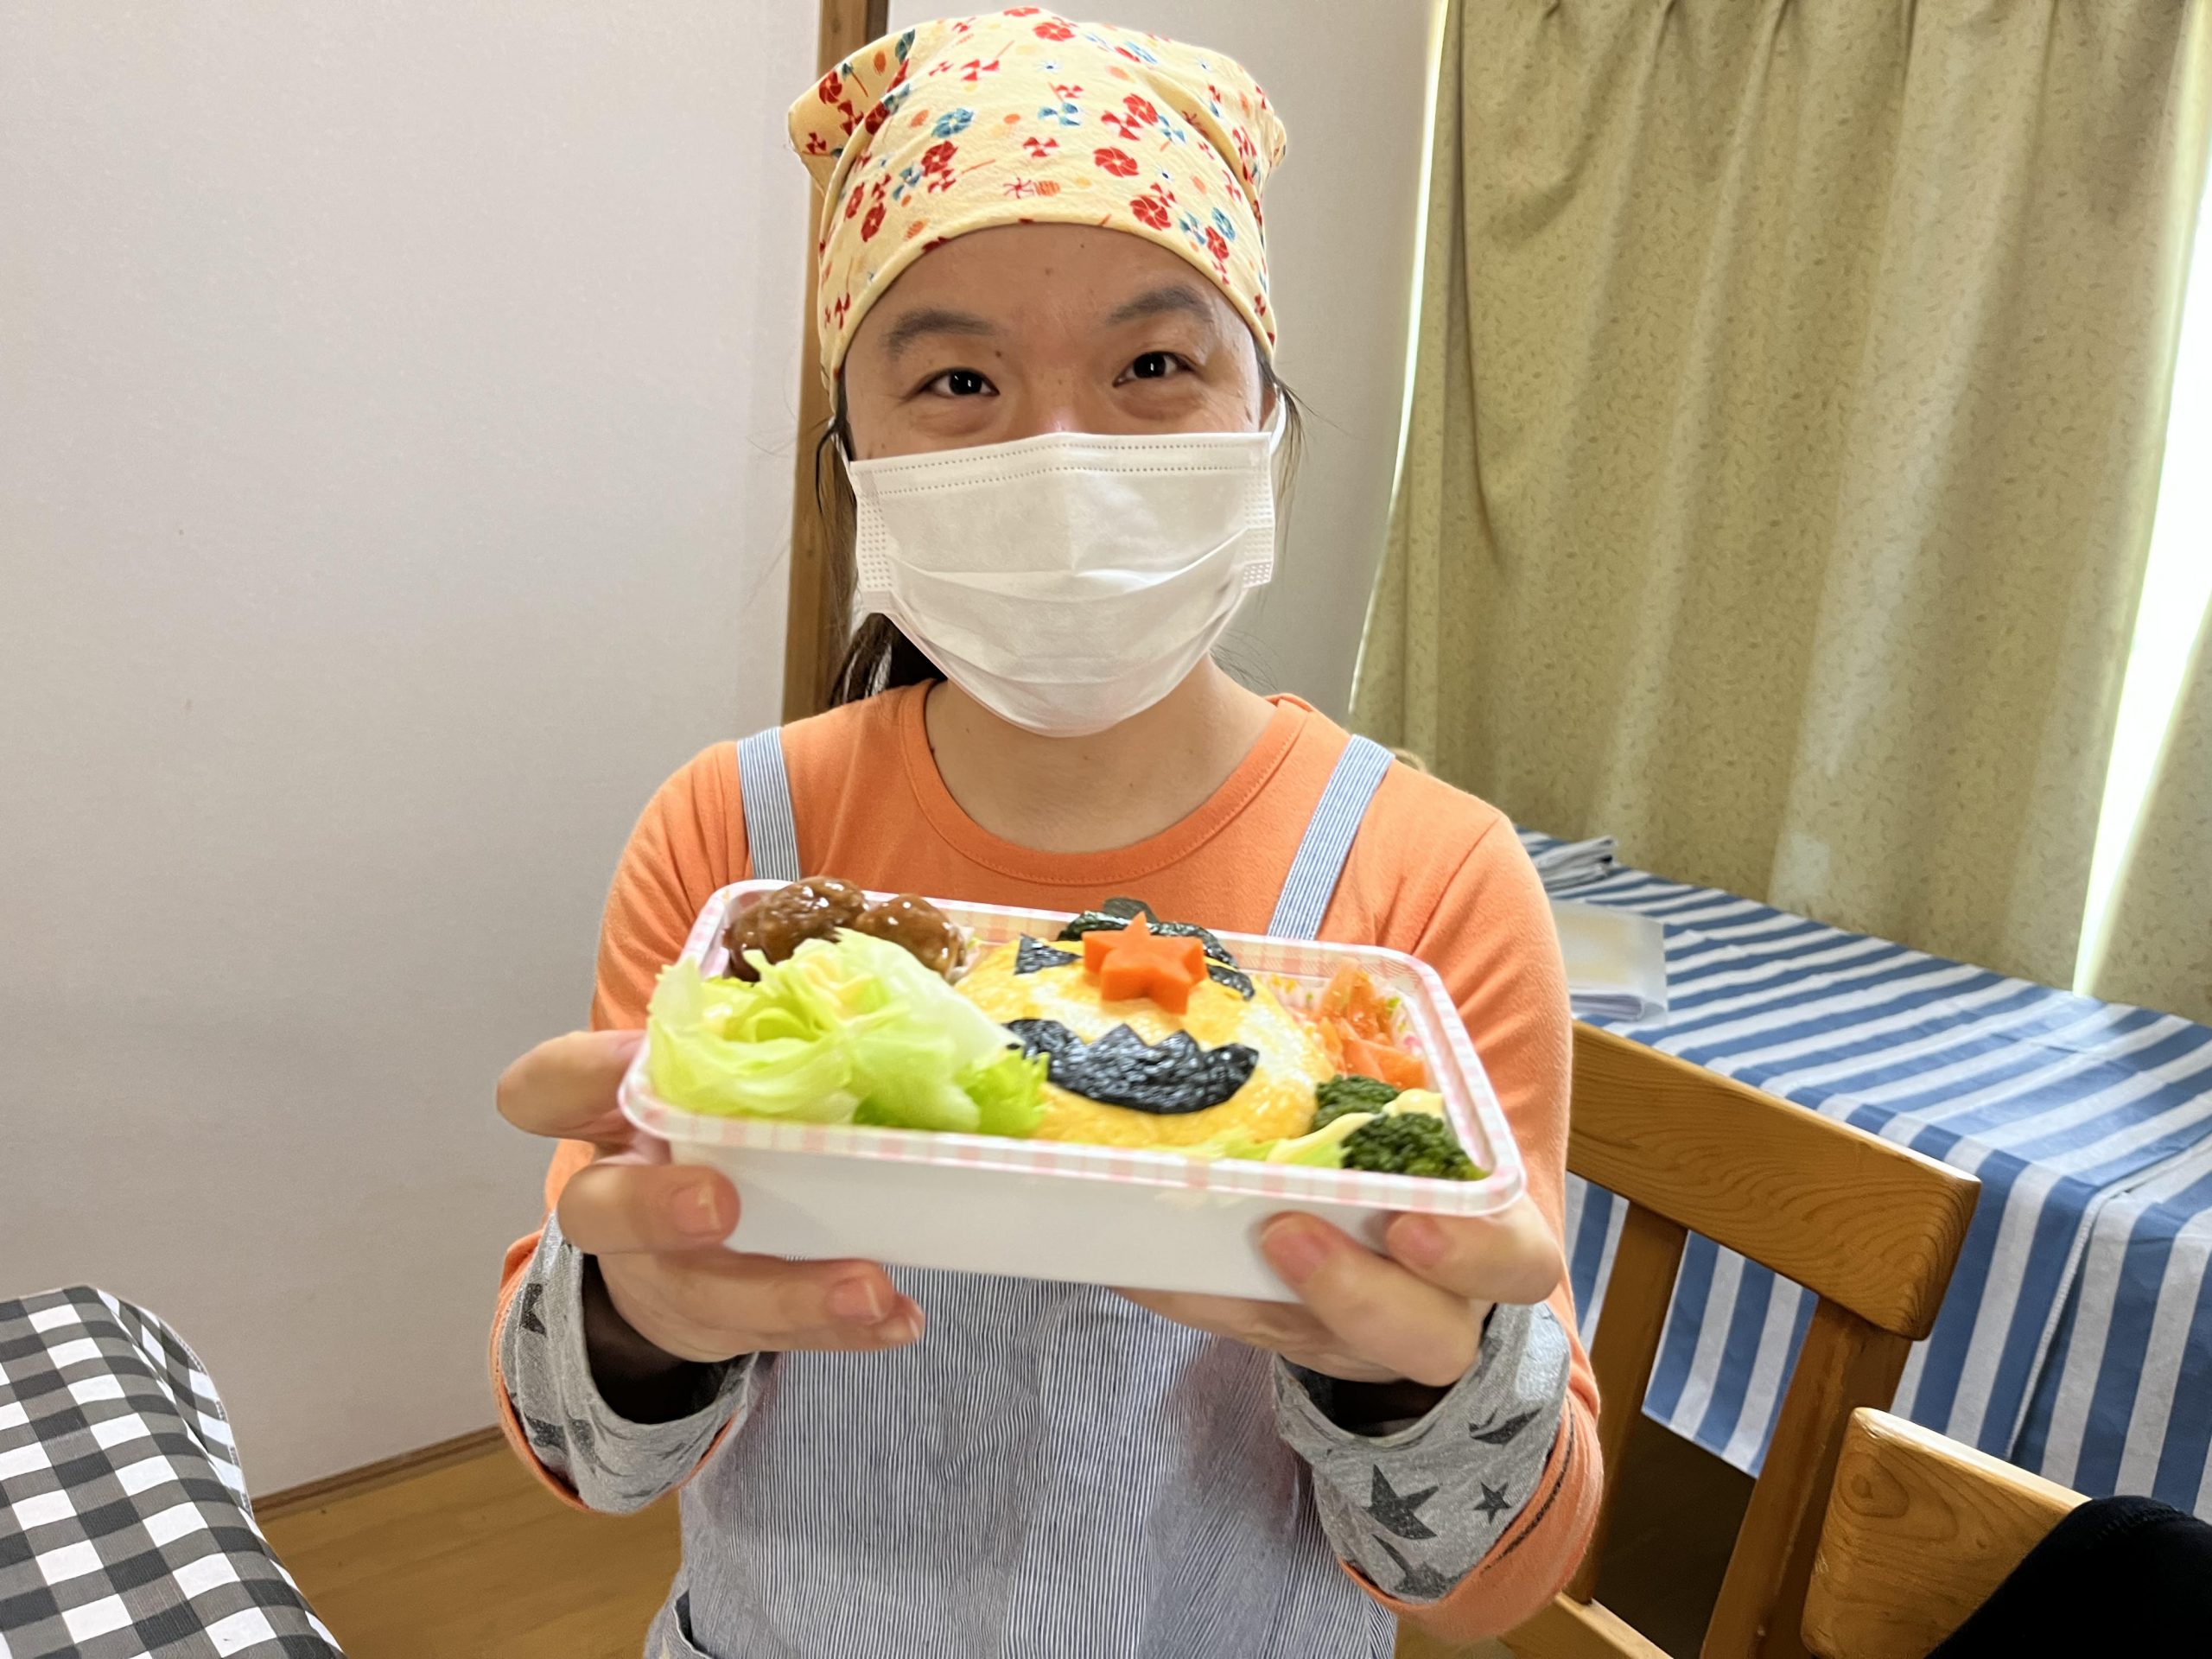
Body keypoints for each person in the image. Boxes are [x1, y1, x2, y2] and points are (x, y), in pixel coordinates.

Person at [488, 12, 1599, 1656]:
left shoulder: (1426, 882)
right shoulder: (737, 837)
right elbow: (589, 1458)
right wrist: (634, 1319)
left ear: (1266, 417)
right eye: (957, 380)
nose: (1061, 454)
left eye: (1154, 367)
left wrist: (1410, 1385)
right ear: (855, 456)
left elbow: (1497, 1579)